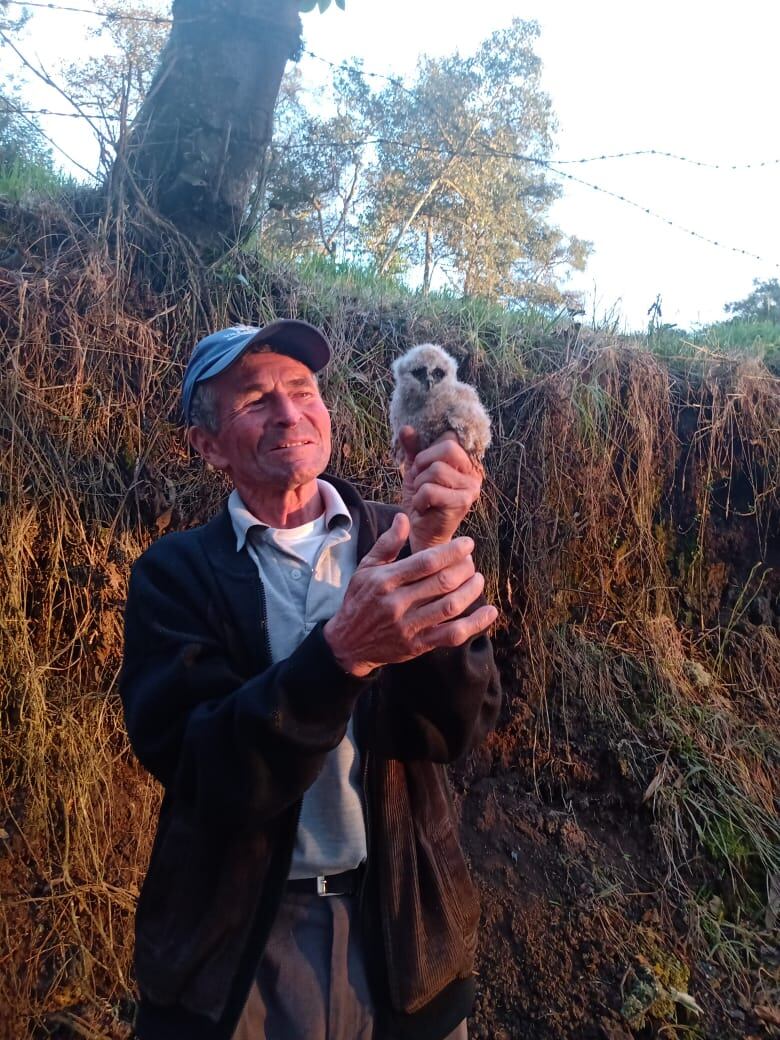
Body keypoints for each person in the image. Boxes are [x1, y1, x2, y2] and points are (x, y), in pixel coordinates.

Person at [119, 318, 502, 1040]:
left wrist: (432, 547)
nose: (289, 413)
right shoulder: (175, 576)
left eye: (302, 390)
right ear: (207, 445)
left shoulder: (397, 535)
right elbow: (206, 771)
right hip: (239, 951)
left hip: (400, 935)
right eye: (254, 400)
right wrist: (341, 655)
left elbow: (457, 730)